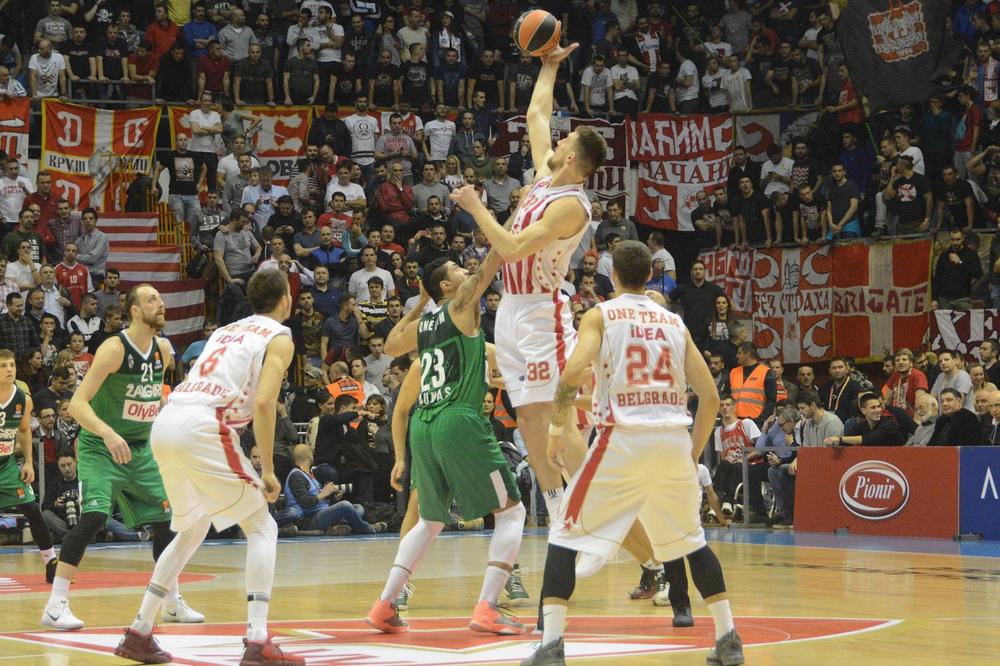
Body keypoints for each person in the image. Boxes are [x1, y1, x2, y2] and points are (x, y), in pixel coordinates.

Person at [521, 240, 743, 666]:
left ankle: (551, 645)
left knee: (564, 537)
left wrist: (554, 427)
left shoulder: (600, 314)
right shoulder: (674, 322)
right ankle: (728, 638)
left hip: (621, 439)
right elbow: (711, 398)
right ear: (649, 275)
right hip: (673, 440)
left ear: (614, 276)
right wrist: (691, 454)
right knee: (693, 543)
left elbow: (570, 374)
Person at [112, 271, 302, 665]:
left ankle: (140, 631)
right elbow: (266, 403)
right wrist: (267, 469)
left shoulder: (227, 330)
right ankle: (258, 639)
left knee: (191, 527)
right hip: (205, 425)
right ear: (286, 298)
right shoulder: (279, 337)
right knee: (262, 525)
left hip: (169, 420)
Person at [366, 251, 529, 637]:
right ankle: (488, 607)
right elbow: (493, 261)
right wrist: (510, 215)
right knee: (511, 512)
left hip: (425, 422)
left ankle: (385, 604)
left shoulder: (425, 323)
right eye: (457, 269)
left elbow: (390, 344)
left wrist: (419, 302)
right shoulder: (462, 303)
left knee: (430, 520)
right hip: (458, 418)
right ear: (447, 286)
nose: (465, 270)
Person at [42, 285, 204, 631]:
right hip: (102, 447)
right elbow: (78, 404)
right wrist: (108, 433)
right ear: (133, 310)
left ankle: (171, 602)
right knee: (94, 517)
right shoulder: (114, 350)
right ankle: (56, 604)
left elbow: (152, 400)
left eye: (160, 299)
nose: (160, 304)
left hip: (142, 448)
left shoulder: (163, 349)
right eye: (151, 300)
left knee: (168, 523)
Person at [0, 348, 57, 579]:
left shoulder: (23, 398)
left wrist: (29, 463)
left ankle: (51, 561)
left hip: (7, 465)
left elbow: (24, 431)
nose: (9, 369)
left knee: (33, 509)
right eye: (3, 366)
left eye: (12, 365)